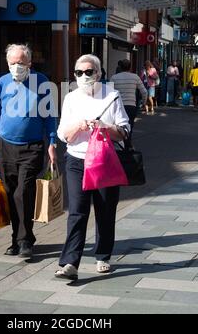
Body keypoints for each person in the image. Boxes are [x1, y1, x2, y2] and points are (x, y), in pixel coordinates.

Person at [55, 54, 130, 280]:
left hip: (105, 160)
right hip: (77, 160)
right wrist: (78, 126)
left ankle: (103, 255)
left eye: (89, 72)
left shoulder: (112, 96)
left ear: (98, 73)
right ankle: (70, 263)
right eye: (79, 72)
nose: (84, 76)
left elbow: (125, 131)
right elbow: (63, 135)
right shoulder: (70, 98)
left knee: (105, 210)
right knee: (77, 211)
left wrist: (104, 127)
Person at [0, 44, 57, 259]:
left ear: (29, 63)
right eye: (12, 63)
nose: (16, 66)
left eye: (20, 63)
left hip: (32, 146)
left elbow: (49, 117)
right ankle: (16, 238)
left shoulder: (41, 82)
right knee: (10, 194)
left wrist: (52, 143)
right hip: (5, 146)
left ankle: (26, 240)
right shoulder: (2, 82)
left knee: (23, 193)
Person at [111, 59, 147, 149]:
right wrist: (144, 103)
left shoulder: (114, 77)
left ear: (120, 67)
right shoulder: (135, 77)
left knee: (117, 127)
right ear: (130, 67)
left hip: (118, 106)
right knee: (129, 127)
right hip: (131, 106)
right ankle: (127, 146)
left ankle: (120, 146)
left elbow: (108, 92)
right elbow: (144, 92)